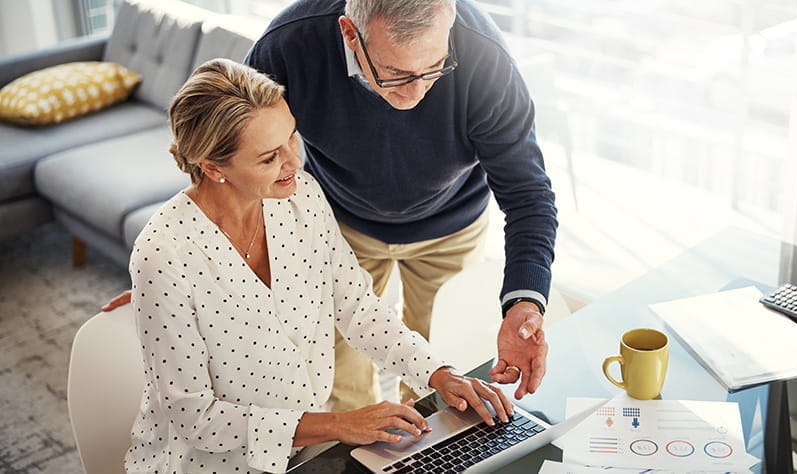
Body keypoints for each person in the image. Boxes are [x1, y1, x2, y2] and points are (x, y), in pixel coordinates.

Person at [105, 0, 557, 412]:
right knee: (344, 396)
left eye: (436, 67)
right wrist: (190, 279)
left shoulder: (485, 59)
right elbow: (226, 150)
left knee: (443, 389)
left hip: (451, 226)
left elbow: (529, 194)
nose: (416, 92)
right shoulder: (287, 47)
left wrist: (524, 301)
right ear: (348, 32)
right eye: (395, 73)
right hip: (340, 224)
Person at [123, 58, 513, 474]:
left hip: (307, 452)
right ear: (213, 167)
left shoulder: (300, 198)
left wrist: (438, 373)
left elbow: (358, 308)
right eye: (270, 157)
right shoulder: (163, 257)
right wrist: (340, 425)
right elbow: (193, 417)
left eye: (292, 137)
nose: (296, 162)